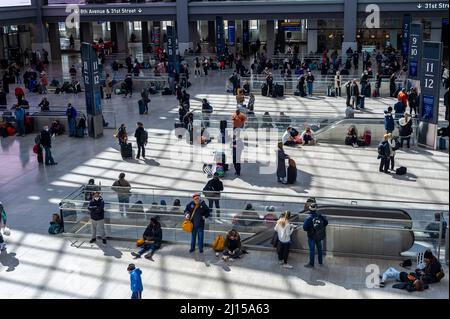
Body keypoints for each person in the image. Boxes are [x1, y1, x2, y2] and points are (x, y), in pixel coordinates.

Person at [303, 202, 328, 268]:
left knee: (312, 250)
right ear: (316, 209)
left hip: (311, 236)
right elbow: (326, 222)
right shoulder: (320, 216)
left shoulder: (308, 218)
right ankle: (320, 262)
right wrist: (320, 228)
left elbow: (304, 228)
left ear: (310, 209)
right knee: (320, 249)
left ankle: (311, 264)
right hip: (319, 236)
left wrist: (310, 230)